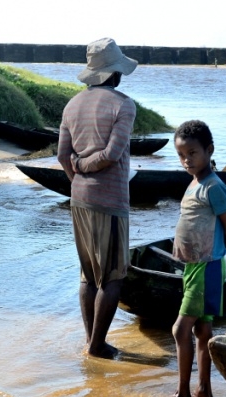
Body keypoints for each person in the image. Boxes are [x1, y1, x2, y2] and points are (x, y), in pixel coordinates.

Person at [57, 38, 138, 359]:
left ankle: (91, 341)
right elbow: (112, 154)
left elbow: (63, 155)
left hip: (79, 198)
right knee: (113, 277)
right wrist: (87, 167)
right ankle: (96, 347)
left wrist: (77, 174)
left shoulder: (71, 105)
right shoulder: (124, 105)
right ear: (115, 74)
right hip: (111, 200)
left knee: (88, 275)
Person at [160, 121, 226, 397]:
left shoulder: (214, 187)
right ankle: (204, 390)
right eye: (181, 155)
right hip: (195, 268)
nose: (186, 160)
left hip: (206, 267)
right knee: (201, 331)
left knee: (180, 330)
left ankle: (183, 395)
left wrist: (212, 251)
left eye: (192, 153)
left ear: (209, 150)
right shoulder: (195, 183)